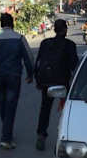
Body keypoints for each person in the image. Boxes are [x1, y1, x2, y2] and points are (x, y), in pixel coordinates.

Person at [0, 13, 34, 150]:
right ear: (12, 23)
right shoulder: (19, 38)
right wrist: (30, 74)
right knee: (11, 106)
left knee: (3, 104)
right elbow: (29, 57)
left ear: (1, 24)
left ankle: (6, 132)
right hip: (14, 76)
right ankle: (6, 138)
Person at [34, 19, 79, 150]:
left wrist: (38, 80)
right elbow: (74, 66)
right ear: (65, 30)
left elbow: (38, 63)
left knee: (45, 108)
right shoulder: (70, 45)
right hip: (63, 83)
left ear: (54, 30)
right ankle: (67, 135)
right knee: (67, 110)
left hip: (47, 82)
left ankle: (41, 135)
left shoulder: (45, 43)